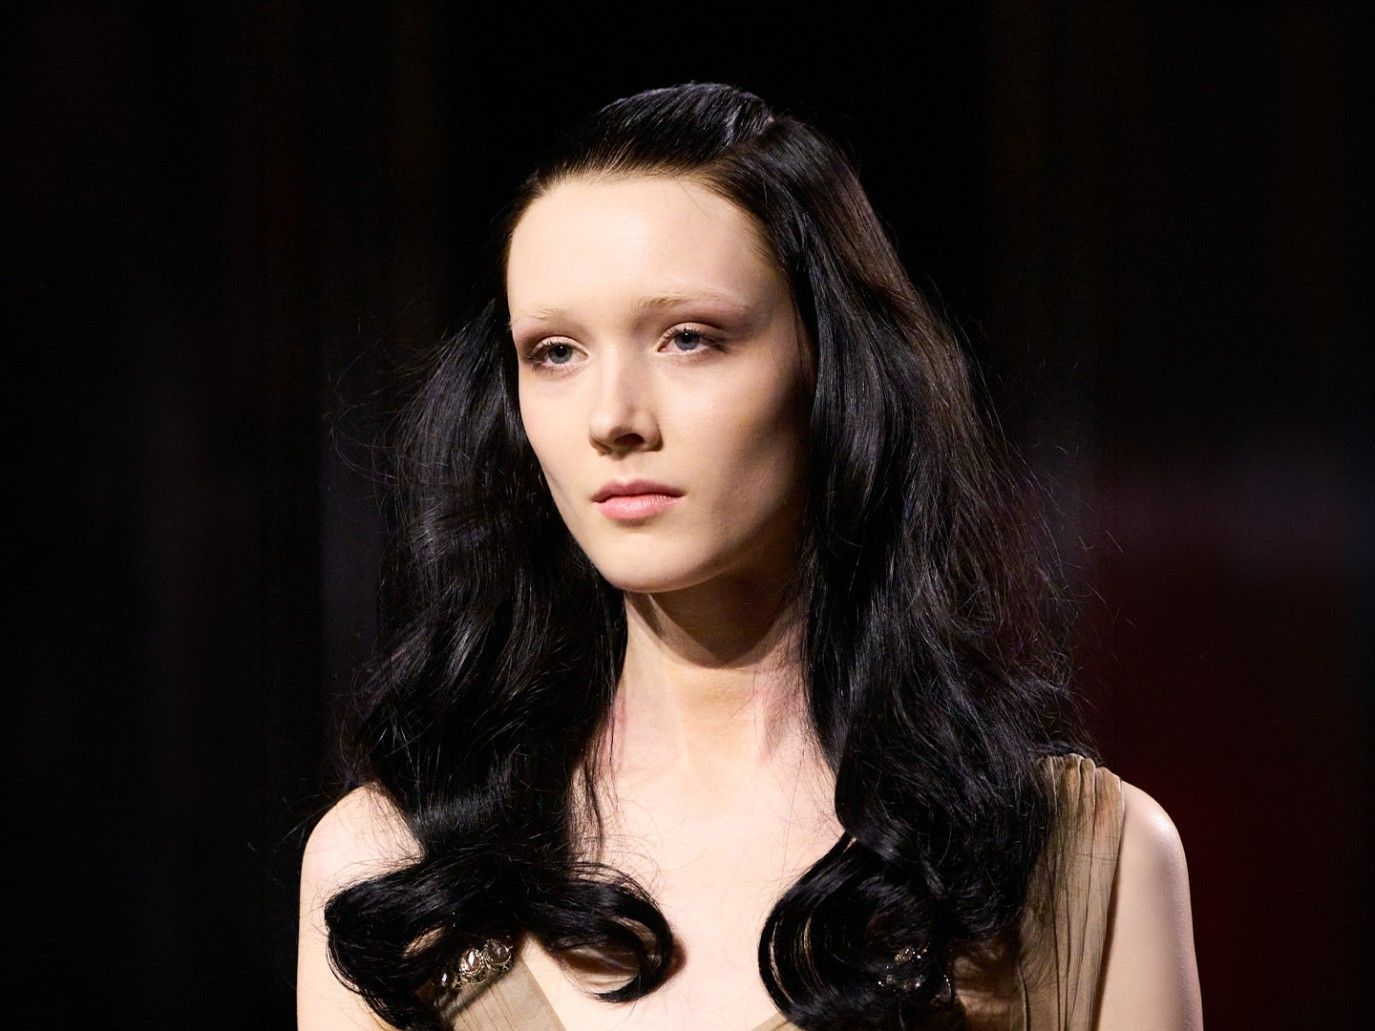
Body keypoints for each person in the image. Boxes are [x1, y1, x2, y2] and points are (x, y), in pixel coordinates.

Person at [297, 82, 1203, 1031]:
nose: (612, 418)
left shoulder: (1076, 863)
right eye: (555, 351)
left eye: (689, 338)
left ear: (832, 368)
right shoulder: (393, 872)